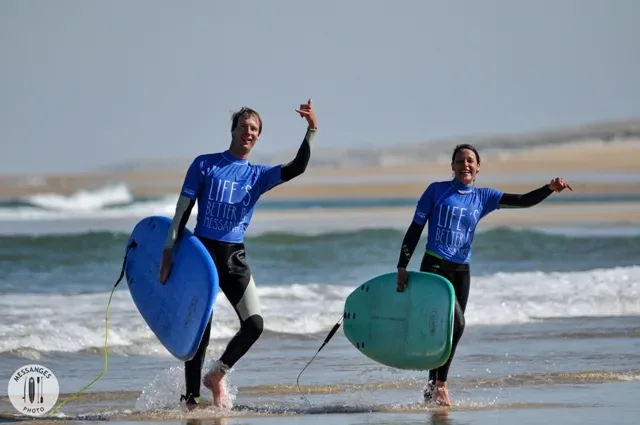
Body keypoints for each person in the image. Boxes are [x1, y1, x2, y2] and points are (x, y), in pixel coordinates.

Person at [159, 99, 318, 409]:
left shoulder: (258, 175)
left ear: (258, 137)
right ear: (232, 130)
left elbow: (297, 167)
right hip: (201, 253)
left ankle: (217, 374)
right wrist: (168, 251)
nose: (249, 131)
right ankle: (191, 399)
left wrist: (312, 128)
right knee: (199, 328)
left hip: (233, 255)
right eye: (244, 125)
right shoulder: (205, 164)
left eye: (255, 129)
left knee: (254, 324)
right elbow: (182, 211)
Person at [395, 143, 572, 406]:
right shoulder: (436, 191)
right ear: (452, 166)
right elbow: (415, 228)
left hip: (461, 270)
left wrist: (549, 189)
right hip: (434, 266)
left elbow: (522, 201)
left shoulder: (483, 197)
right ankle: (440, 385)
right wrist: (402, 265)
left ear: (478, 168)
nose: (465, 164)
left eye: (470, 161)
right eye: (460, 161)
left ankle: (432, 387)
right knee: (455, 325)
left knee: (450, 329)